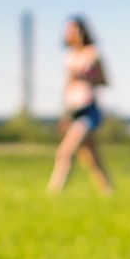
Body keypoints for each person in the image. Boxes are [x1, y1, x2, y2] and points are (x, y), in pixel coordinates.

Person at [48, 16, 114, 194]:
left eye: (74, 29)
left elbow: (105, 81)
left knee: (65, 152)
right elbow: (67, 88)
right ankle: (109, 192)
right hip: (72, 109)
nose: (70, 33)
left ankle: (54, 193)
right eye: (68, 29)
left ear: (82, 31)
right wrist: (64, 113)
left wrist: (86, 77)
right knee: (91, 157)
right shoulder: (69, 57)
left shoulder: (93, 53)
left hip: (89, 110)